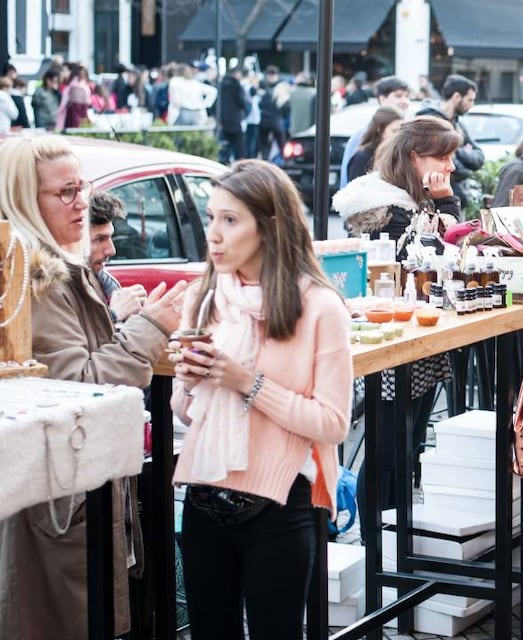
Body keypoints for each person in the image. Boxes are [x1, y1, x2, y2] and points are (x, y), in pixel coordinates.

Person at [0, 135, 187, 639]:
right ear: (24, 200)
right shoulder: (38, 282)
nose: (80, 200)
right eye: (64, 192)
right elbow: (81, 390)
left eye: (81, 187)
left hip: (72, 495)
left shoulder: (56, 270)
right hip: (59, 504)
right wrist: (148, 327)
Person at [169, 159, 352, 639]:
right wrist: (189, 382)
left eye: (230, 220)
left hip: (279, 502)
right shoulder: (206, 298)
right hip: (205, 490)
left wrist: (245, 381)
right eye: (211, 218)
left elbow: (333, 424)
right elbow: (186, 413)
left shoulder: (318, 306)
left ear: (269, 227)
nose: (214, 234)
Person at [331, 116, 461, 521]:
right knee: (390, 449)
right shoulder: (383, 210)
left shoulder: (414, 199)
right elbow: (434, 261)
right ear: (414, 157)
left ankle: (395, 538)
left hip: (416, 338)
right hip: (390, 341)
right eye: (444, 156)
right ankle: (379, 544)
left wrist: (445, 203)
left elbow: (452, 253)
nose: (452, 166)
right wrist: (445, 207)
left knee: (408, 445)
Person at [417, 74, 484, 208]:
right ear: (456, 97)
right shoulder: (430, 121)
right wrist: (462, 152)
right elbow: (457, 170)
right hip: (436, 195)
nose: (472, 105)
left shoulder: (458, 124)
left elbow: (479, 157)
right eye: (470, 100)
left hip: (455, 193)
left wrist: (457, 152)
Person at [339, 75, 411, 188]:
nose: (404, 101)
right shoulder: (362, 137)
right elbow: (349, 184)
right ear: (382, 99)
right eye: (398, 96)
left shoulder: (409, 131)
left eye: (407, 96)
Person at [88, 189, 147, 322]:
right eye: (99, 240)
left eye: (110, 238)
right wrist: (114, 314)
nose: (111, 250)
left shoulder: (103, 282)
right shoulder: (55, 290)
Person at [345, 106, 403, 182]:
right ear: (379, 130)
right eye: (394, 131)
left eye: (401, 131)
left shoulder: (398, 155)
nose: (398, 136)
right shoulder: (362, 158)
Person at [218, 66, 250, 165]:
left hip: (223, 120)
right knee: (239, 148)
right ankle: (240, 165)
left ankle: (224, 164)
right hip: (235, 119)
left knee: (224, 147)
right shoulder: (236, 84)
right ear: (236, 74)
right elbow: (241, 102)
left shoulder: (221, 84)